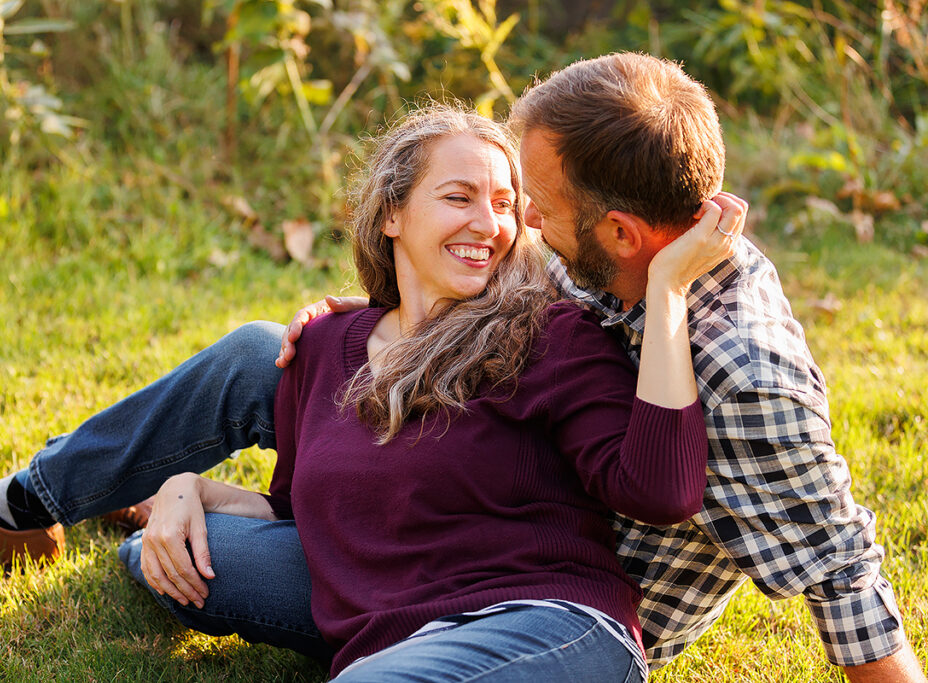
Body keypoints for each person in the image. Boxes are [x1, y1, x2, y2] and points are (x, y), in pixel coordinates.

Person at [0, 52, 921, 680]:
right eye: (484, 197)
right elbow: (311, 485)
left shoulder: (705, 359)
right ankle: (12, 508)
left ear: (611, 230)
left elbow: (832, 564)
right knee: (237, 402)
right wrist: (192, 474)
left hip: (554, 589)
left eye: (526, 202)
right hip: (419, 530)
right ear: (387, 214)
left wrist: (658, 305)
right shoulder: (565, 270)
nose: (511, 220)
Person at [120, 103, 738, 681]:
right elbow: (301, 515)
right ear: (392, 213)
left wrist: (667, 291)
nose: (488, 224)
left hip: (544, 620)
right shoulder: (324, 342)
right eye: (458, 197)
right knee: (158, 554)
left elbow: (662, 489)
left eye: (504, 203)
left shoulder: (552, 337)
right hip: (394, 625)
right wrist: (186, 487)